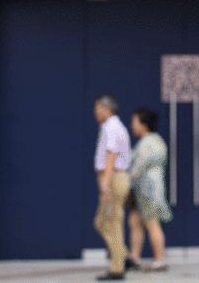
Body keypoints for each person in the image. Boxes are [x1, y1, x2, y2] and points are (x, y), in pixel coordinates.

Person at [126, 107, 173, 272]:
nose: (132, 126)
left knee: (152, 224)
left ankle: (160, 260)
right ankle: (134, 258)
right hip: (147, 190)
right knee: (135, 221)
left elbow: (137, 168)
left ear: (143, 124)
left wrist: (125, 179)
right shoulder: (157, 141)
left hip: (147, 190)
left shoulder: (147, 144)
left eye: (134, 122)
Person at [92, 95, 131, 281]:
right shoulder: (111, 126)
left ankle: (118, 267)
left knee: (111, 223)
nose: (95, 113)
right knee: (103, 223)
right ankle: (123, 255)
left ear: (106, 109)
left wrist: (105, 182)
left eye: (97, 108)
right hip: (115, 177)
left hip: (114, 178)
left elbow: (111, 154)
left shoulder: (112, 127)